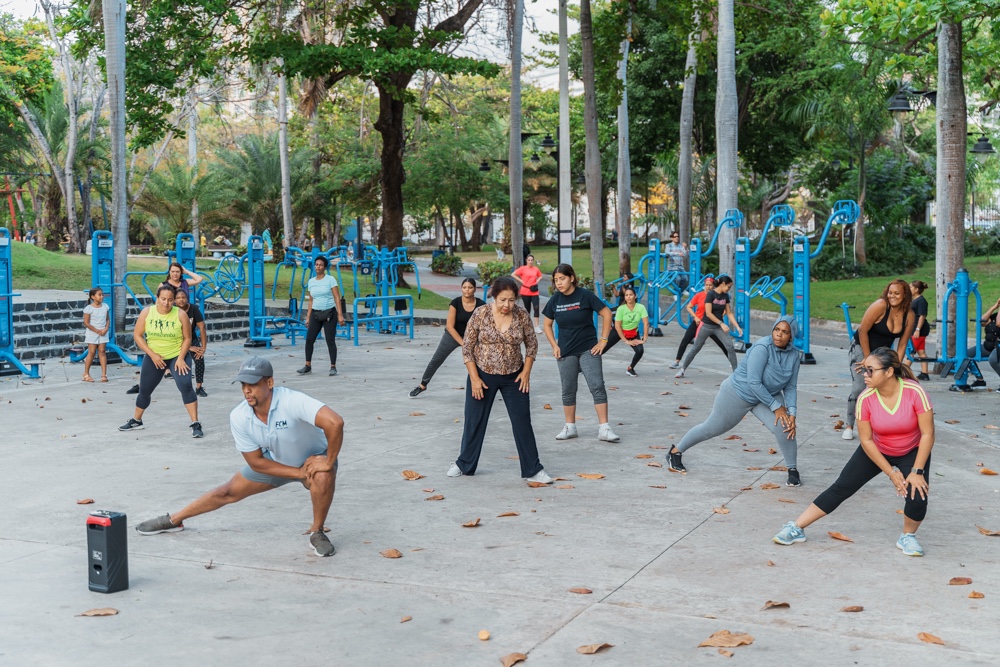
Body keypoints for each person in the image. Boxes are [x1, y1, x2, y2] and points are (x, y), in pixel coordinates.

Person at [134, 357, 344, 557]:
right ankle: (174, 520)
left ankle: (317, 532)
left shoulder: (292, 400)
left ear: (269, 382)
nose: (246, 390)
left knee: (323, 476)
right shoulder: (239, 415)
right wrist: (298, 473)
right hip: (277, 461)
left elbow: (335, 423)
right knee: (225, 492)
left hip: (314, 458)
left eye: (252, 384)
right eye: (243, 384)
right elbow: (255, 462)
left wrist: (327, 461)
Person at [773, 348, 934, 557]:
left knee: (917, 494)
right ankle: (796, 527)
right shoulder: (865, 398)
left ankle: (908, 536)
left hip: (912, 449)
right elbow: (866, 440)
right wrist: (891, 473)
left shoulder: (915, 392)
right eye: (864, 370)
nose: (864, 375)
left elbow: (928, 434)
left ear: (889, 372)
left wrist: (917, 471)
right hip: (877, 449)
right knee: (842, 486)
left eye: (870, 370)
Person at [667, 317, 802, 485]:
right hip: (739, 393)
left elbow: (790, 386)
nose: (779, 335)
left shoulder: (794, 355)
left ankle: (792, 470)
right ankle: (675, 451)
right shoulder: (762, 347)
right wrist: (777, 407)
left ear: (791, 336)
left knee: (785, 425)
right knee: (711, 428)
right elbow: (754, 382)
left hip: (767, 395)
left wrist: (792, 412)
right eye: (777, 330)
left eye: (785, 332)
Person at [448, 277, 551, 485]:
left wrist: (526, 372)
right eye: (503, 300)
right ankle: (464, 463)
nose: (507, 305)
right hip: (482, 375)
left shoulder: (521, 315)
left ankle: (533, 469)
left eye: (512, 301)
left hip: (514, 376)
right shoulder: (481, 313)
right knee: (474, 420)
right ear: (494, 297)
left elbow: (532, 345)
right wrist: (474, 378)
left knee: (522, 421)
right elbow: (467, 348)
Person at [542, 263, 621, 443]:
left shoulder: (585, 296)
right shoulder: (555, 300)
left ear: (571, 277)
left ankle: (604, 428)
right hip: (565, 351)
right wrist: (554, 345)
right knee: (568, 389)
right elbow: (546, 324)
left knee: (597, 386)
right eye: (556, 280)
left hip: (588, 348)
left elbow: (607, 314)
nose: (559, 283)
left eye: (562, 278)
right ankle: (570, 427)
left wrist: (603, 340)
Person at [118, 284, 202, 437]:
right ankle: (137, 420)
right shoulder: (147, 312)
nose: (166, 303)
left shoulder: (180, 314)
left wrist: (181, 358)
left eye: (170, 300)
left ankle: (195, 423)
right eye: (163, 299)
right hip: (154, 356)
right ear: (157, 298)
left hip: (177, 355)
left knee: (185, 386)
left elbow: (188, 338)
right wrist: (152, 355)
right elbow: (137, 335)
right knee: (145, 389)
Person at [842, 280, 914, 441]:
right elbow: (862, 331)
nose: (892, 296)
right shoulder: (881, 305)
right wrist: (868, 359)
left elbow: (902, 344)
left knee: (883, 387)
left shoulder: (909, 315)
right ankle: (849, 425)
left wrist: (897, 366)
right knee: (861, 387)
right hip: (862, 348)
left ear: (905, 296)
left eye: (897, 293)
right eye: (890, 292)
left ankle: (877, 426)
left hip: (883, 354)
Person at [409, 278, 485, 398]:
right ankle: (423, 385)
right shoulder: (455, 303)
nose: (467, 290)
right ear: (461, 288)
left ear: (475, 289)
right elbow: (449, 326)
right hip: (452, 335)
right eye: (464, 287)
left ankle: (480, 386)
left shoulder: (481, 305)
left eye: (470, 287)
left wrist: (472, 342)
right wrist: (463, 343)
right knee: (436, 359)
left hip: (471, 337)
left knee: (479, 361)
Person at [675, 274, 742, 378]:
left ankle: (736, 373)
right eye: (728, 287)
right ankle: (682, 369)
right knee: (696, 348)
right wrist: (721, 323)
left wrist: (737, 327)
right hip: (706, 326)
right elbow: (708, 313)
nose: (729, 289)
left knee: (730, 346)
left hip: (718, 328)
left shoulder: (725, 296)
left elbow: (729, 313)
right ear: (723, 284)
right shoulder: (711, 294)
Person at [297, 255, 345, 376]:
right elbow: (311, 301)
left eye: (321, 265)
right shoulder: (311, 282)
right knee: (309, 340)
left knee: (330, 340)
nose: (318, 267)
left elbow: (337, 298)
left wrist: (340, 315)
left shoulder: (330, 279)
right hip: (315, 313)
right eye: (316, 264)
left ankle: (333, 366)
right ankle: (307, 365)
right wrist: (308, 317)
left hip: (330, 313)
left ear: (324, 267)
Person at [670, 275, 730, 369]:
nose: (708, 287)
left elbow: (726, 309)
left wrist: (719, 317)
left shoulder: (717, 296)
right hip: (698, 322)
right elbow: (689, 307)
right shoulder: (699, 295)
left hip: (711, 324)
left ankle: (732, 362)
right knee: (686, 339)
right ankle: (677, 361)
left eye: (710, 285)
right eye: (707, 285)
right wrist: (696, 317)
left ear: (714, 286)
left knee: (722, 343)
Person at [174, 289, 209, 397]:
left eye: (183, 297)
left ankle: (199, 387)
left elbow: (202, 328)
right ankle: (142, 385)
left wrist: (203, 347)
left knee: (199, 358)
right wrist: (189, 348)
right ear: (174, 300)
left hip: (191, 338)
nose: (181, 300)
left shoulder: (193, 309)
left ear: (187, 298)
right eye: (178, 298)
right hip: (175, 340)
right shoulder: (172, 310)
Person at [609, 285, 649, 377]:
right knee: (602, 349)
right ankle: (582, 367)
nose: (628, 297)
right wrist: (626, 341)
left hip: (633, 332)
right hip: (619, 331)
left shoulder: (641, 307)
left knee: (640, 350)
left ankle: (630, 368)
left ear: (635, 296)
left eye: (631, 295)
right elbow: (618, 326)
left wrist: (644, 339)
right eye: (626, 295)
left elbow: (646, 324)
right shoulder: (621, 308)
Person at [82, 287, 110, 383]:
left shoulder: (105, 307)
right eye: (99, 295)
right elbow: (86, 322)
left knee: (102, 351)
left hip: (103, 333)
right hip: (92, 333)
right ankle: (86, 373)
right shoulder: (88, 308)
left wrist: (106, 329)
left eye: (102, 295)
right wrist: (96, 330)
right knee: (92, 352)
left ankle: (104, 374)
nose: (101, 296)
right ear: (93, 296)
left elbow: (107, 319)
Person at [905, 280, 931, 381]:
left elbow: (922, 316)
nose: (909, 289)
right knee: (921, 351)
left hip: (919, 329)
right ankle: (925, 373)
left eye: (911, 288)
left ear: (916, 290)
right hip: (915, 328)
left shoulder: (921, 301)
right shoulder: (914, 300)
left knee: (911, 351)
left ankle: (902, 372)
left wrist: (917, 329)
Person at [512, 254, 543, 332]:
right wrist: (522, 281)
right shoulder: (523, 268)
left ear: (533, 260)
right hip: (525, 291)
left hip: (534, 291)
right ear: (526, 260)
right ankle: (527, 326)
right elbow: (513, 274)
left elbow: (540, 276)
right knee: (527, 309)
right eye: (529, 260)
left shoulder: (536, 269)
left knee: (536, 308)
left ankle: (537, 326)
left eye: (531, 260)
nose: (530, 261)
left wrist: (537, 281)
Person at [973, 297, 1000, 386]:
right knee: (965, 354)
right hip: (987, 346)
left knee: (992, 360)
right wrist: (994, 307)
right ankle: (979, 379)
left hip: (997, 347)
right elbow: (982, 322)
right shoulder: (995, 316)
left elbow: (998, 323)